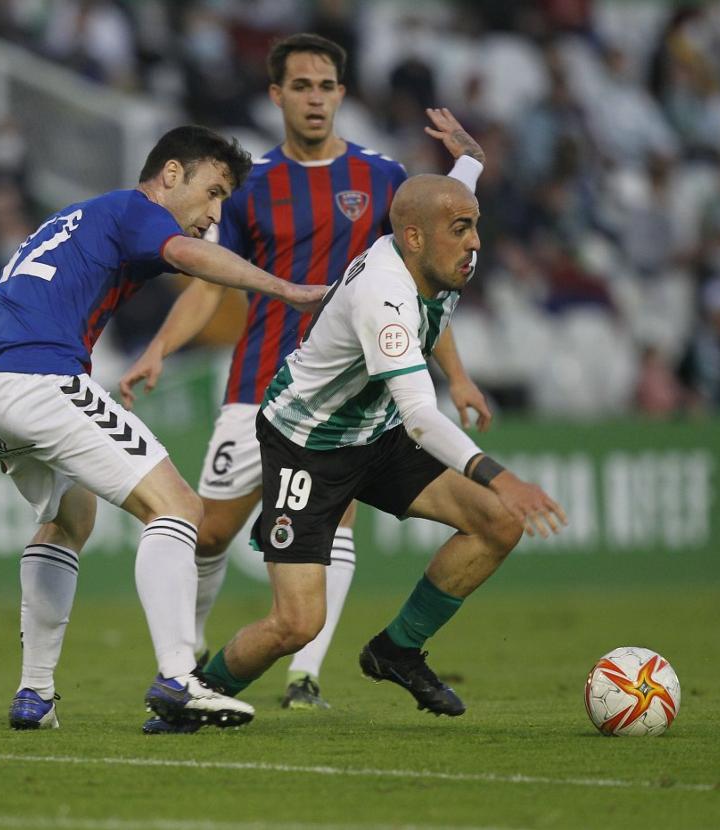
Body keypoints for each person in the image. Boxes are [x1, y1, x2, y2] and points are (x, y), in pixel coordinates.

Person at [117, 33, 490, 723]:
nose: (315, 99)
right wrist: (160, 348)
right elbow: (208, 278)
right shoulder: (253, 182)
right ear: (277, 95)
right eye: (301, 87)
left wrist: (458, 377)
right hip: (260, 383)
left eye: (326, 86)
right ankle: (187, 663)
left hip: (348, 394)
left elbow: (425, 284)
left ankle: (305, 674)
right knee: (208, 534)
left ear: (342, 95)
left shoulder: (381, 178)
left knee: (336, 515)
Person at [0, 125, 328, 733]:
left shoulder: (78, 218)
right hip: (39, 378)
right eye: (212, 193)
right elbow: (190, 261)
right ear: (171, 175)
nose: (214, 215)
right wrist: (283, 289)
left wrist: (2, 407)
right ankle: (179, 675)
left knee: (70, 518)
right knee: (179, 508)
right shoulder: (136, 209)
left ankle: (36, 694)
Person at [198, 174, 568, 718]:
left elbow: (450, 198)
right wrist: (503, 477)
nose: (475, 243)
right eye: (462, 229)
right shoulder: (383, 297)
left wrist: (469, 157)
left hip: (372, 429)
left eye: (476, 227)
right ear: (414, 238)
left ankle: (396, 649)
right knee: (297, 625)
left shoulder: (428, 251)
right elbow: (420, 416)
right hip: (308, 443)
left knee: (496, 523)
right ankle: (195, 693)